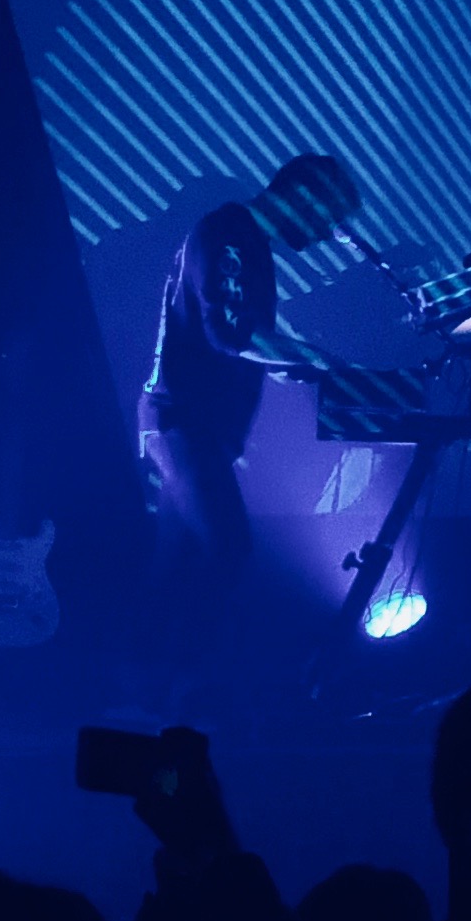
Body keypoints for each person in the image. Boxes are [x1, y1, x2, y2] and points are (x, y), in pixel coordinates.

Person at [138, 153, 361, 676]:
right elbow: (232, 334)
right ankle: (184, 682)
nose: (328, 234)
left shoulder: (247, 243)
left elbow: (242, 341)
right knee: (229, 550)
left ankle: (145, 687)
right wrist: (322, 364)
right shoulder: (229, 235)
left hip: (191, 426)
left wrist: (312, 370)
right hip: (182, 422)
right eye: (328, 217)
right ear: (302, 197)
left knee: (175, 567)